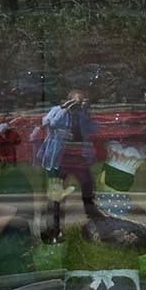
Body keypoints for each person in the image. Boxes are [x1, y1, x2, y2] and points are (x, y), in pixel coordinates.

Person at [37, 88, 100, 231]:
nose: (77, 105)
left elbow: (94, 129)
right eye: (75, 101)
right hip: (61, 156)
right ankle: (53, 226)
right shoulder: (57, 110)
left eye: (80, 102)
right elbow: (51, 124)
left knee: (87, 183)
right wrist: (65, 109)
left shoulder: (83, 114)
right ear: (68, 100)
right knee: (56, 190)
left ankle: (91, 213)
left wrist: (88, 112)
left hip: (79, 155)